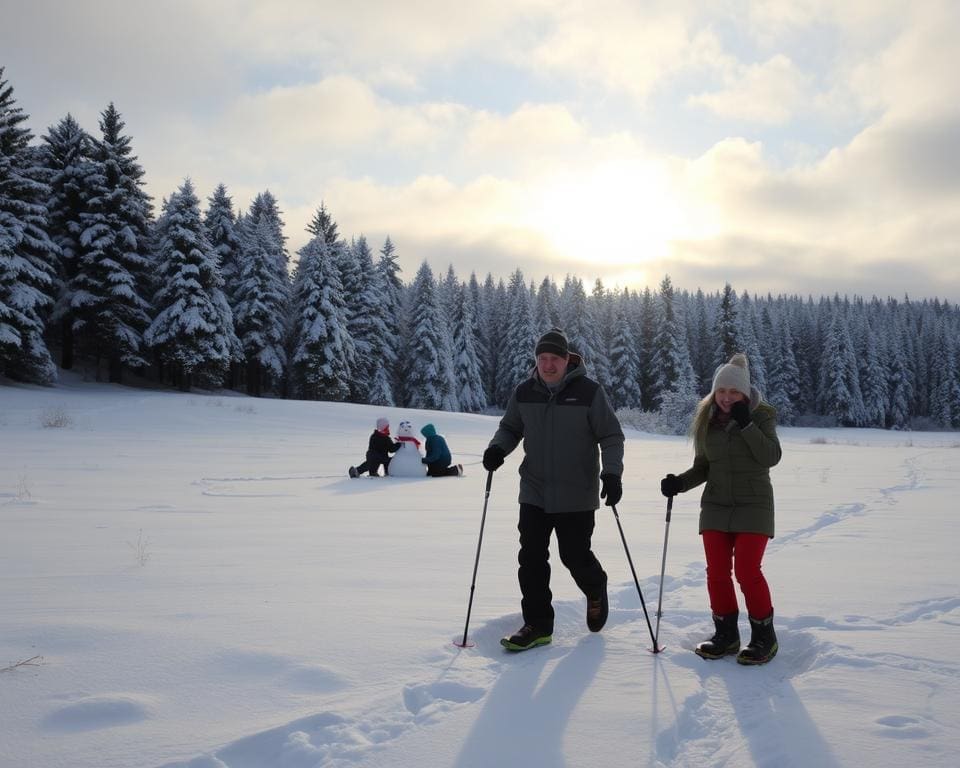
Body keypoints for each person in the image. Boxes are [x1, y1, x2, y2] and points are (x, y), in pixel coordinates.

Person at [483, 328, 625, 652]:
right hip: (534, 489)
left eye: (554, 359)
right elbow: (510, 427)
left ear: (566, 360)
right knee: (531, 557)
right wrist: (497, 449)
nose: (548, 365)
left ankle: (595, 585)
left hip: (577, 493)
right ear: (536, 360)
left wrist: (612, 474)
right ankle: (537, 625)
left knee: (573, 555)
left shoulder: (589, 392)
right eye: (542, 358)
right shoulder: (524, 392)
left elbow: (611, 435)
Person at [659, 352, 782, 665]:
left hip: (754, 505)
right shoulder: (707, 420)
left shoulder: (762, 415)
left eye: (733, 391)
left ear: (744, 392)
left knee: (747, 570)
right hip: (715, 505)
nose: (727, 398)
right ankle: (726, 635)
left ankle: (764, 637)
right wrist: (679, 483)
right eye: (721, 391)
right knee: (716, 572)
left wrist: (746, 424)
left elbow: (770, 456)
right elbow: (703, 467)